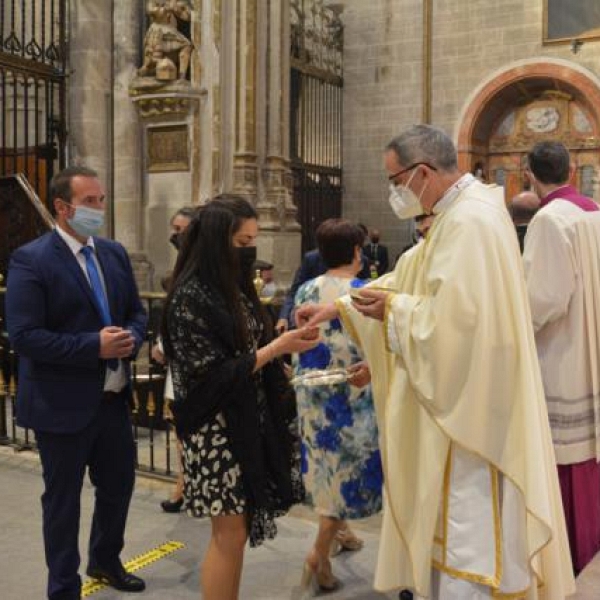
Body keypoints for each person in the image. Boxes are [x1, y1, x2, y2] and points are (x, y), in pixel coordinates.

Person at [296, 125, 575, 599]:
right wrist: (338, 307)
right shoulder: (464, 211)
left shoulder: (470, 223)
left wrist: (394, 312)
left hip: (471, 419)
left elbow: (458, 325)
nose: (393, 192)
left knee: (469, 539)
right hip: (468, 404)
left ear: (422, 173)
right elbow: (412, 275)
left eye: (394, 180)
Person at [161, 195, 320, 600]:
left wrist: (287, 354)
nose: (251, 251)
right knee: (228, 536)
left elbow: (250, 345)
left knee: (238, 530)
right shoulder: (190, 295)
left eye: (253, 240)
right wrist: (276, 348)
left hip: (246, 417)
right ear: (219, 241)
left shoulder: (230, 286)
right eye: (243, 242)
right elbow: (210, 375)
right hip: (215, 427)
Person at [5, 166, 148, 599]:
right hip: (62, 403)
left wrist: (132, 339)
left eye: (102, 200)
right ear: (63, 207)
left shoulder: (113, 254)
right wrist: (93, 346)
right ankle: (63, 587)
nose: (99, 209)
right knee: (64, 502)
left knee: (118, 487)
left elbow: (137, 313)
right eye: (90, 202)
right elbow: (25, 336)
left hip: (111, 399)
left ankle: (105, 561)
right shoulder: (31, 259)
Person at [293, 219, 382, 593]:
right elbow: (379, 346)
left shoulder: (305, 290)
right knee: (344, 476)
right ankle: (318, 556)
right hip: (353, 399)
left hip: (313, 399)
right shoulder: (365, 292)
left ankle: (341, 534)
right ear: (358, 253)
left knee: (325, 471)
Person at [523, 141, 600, 574]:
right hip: (590, 337)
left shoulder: (549, 219)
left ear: (530, 174)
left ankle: (566, 552)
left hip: (564, 348)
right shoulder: (592, 208)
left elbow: (544, 298)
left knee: (567, 455)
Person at [152, 205, 196, 512]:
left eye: (181, 230)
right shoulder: (183, 264)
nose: (175, 236)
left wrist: (165, 344)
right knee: (181, 432)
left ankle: (186, 486)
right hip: (179, 363)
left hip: (196, 365)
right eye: (174, 230)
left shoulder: (199, 268)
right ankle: (183, 484)